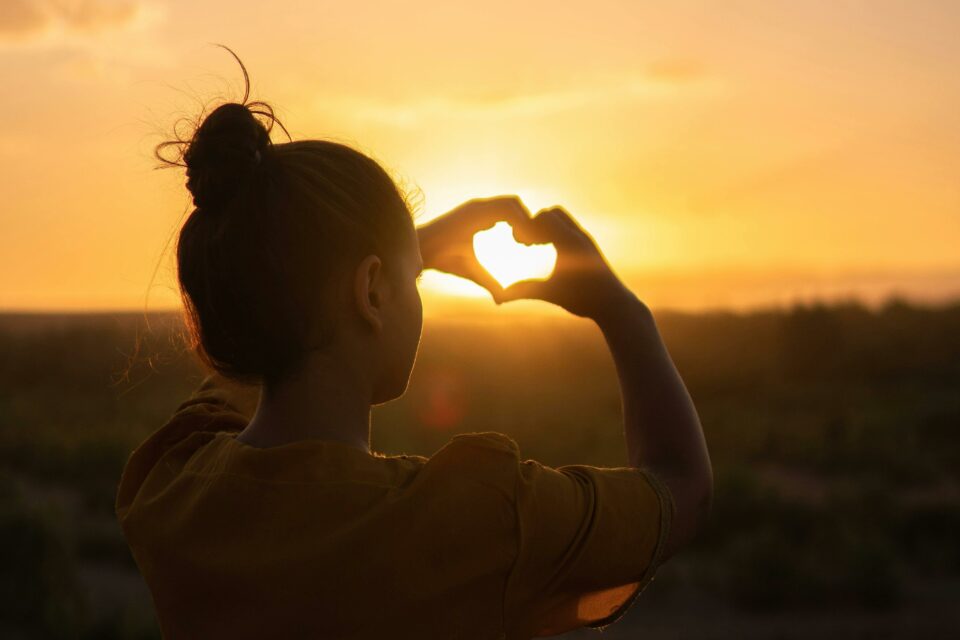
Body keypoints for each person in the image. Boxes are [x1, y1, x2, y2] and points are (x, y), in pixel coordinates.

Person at [115, 49, 712, 639]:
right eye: (411, 277)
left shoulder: (171, 488)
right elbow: (680, 485)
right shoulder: (475, 521)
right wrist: (622, 310)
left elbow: (260, 335)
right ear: (371, 290)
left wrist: (390, 253)